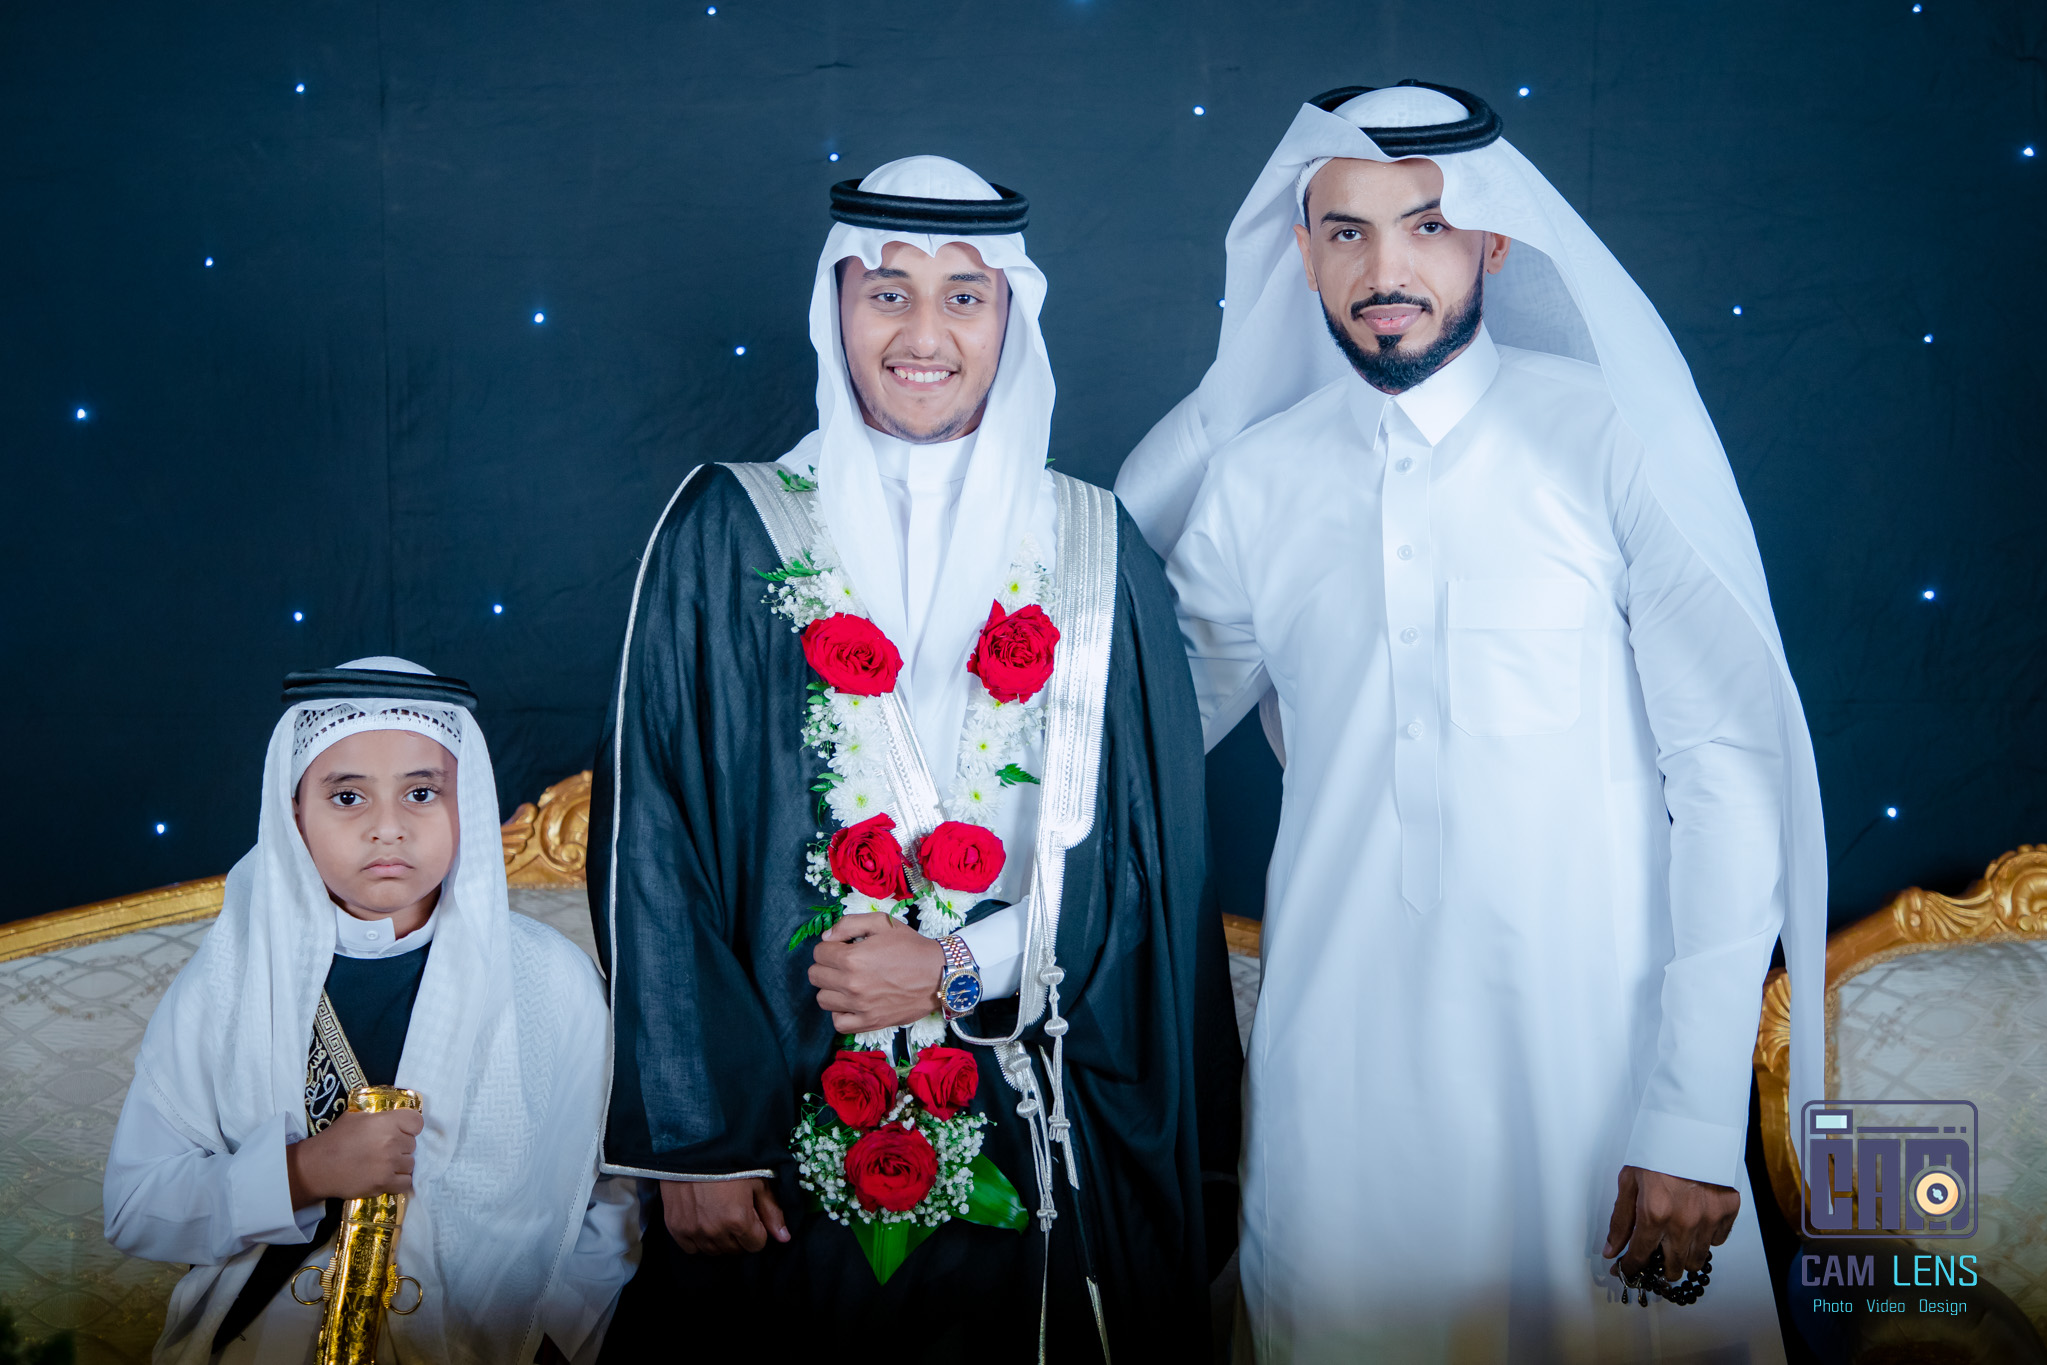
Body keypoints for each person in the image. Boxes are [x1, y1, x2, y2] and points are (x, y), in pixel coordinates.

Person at [1118, 83, 1826, 1362]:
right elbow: (1130, 753)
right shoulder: (1254, 480)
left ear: (1494, 239)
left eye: (1428, 226)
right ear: (1301, 253)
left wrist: (1688, 1114)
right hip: (1336, 1085)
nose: (1384, 270)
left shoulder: (1610, 439)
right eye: (1345, 231)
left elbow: (1727, 776)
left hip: (1593, 1069)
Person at [591, 156, 1240, 1363]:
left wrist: (949, 967)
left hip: (1034, 1111)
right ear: (834, 307)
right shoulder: (725, 529)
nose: (924, 334)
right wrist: (697, 1142)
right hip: (780, 1125)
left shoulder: (1094, 547)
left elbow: (1149, 860)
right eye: (886, 293)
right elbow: (655, 843)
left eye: (964, 296)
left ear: (1011, 318)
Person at [105, 658, 639, 1364]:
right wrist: (302, 1171)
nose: (388, 828)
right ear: (295, 813)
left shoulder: (551, 982)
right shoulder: (230, 979)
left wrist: (553, 1335)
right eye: (348, 797)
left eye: (422, 792)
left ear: (468, 803)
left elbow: (611, 1199)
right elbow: (136, 1205)